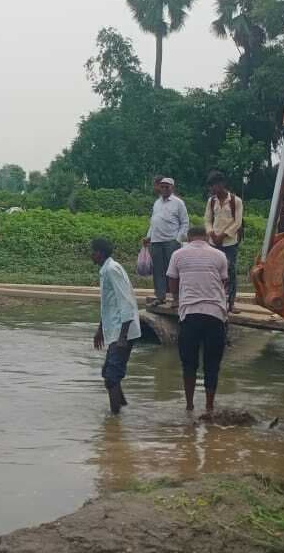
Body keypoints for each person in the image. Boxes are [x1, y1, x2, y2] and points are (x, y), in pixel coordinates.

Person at [168, 226, 230, 419]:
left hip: (190, 315)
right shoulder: (219, 255)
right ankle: (210, 408)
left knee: (189, 364)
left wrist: (177, 299)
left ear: (188, 237)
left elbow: (172, 279)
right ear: (206, 237)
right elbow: (224, 282)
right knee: (212, 365)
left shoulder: (178, 254)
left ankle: (189, 407)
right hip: (215, 315)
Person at [92, 237, 142, 415]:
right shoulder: (106, 270)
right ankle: (122, 407)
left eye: (93, 251)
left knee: (111, 377)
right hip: (114, 330)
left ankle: (115, 421)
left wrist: (122, 337)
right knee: (108, 373)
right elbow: (109, 304)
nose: (92, 255)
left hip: (122, 332)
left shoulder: (112, 269)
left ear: (99, 253)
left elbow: (125, 302)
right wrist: (100, 330)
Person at [142, 177, 189, 305]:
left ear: (172, 188)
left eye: (167, 186)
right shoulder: (157, 203)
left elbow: (184, 223)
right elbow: (154, 222)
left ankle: (176, 298)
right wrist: (148, 236)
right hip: (156, 242)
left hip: (170, 241)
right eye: (162, 186)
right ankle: (160, 297)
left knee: (174, 271)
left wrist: (177, 240)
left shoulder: (178, 203)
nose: (164, 189)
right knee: (158, 271)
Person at [204, 171, 243, 313]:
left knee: (230, 271)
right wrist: (211, 233)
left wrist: (223, 235)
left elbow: (237, 222)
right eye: (211, 186)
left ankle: (231, 304)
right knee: (214, 271)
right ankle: (215, 301)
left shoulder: (235, 201)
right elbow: (207, 220)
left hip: (229, 243)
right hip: (213, 242)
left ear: (222, 184)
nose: (212, 189)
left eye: (214, 185)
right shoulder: (211, 201)